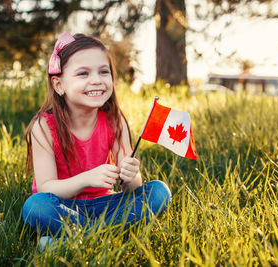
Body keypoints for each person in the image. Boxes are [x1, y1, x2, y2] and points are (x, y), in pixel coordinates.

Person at [22, 31, 171, 245]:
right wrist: (86, 179)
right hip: (63, 206)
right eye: (83, 74)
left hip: (107, 204)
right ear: (59, 85)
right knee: (35, 206)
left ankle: (77, 238)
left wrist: (132, 176)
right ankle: (110, 235)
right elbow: (46, 188)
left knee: (158, 192)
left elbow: (132, 189)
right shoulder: (43, 127)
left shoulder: (114, 120)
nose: (96, 80)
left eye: (104, 72)